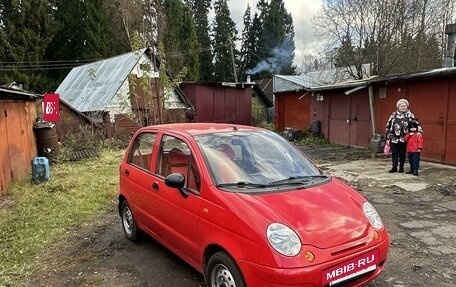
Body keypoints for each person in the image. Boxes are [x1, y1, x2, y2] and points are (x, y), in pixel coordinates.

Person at [385, 99, 422, 173]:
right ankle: (394, 167)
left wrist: (419, 131)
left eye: (404, 106)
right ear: (398, 106)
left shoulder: (410, 114)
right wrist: (387, 133)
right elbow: (388, 124)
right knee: (394, 153)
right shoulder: (393, 114)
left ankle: (401, 167)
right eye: (401, 106)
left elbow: (416, 123)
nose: (403, 107)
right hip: (393, 137)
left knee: (402, 153)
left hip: (404, 137)